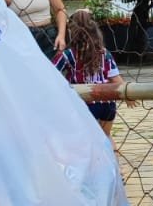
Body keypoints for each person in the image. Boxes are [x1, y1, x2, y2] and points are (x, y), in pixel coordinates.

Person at [52, 8, 124, 138]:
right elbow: (116, 79)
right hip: (107, 104)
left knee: (86, 139)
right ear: (95, 30)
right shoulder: (104, 53)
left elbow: (51, 72)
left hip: (84, 103)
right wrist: (128, 96)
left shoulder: (68, 55)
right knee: (106, 137)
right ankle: (110, 151)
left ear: (71, 31)